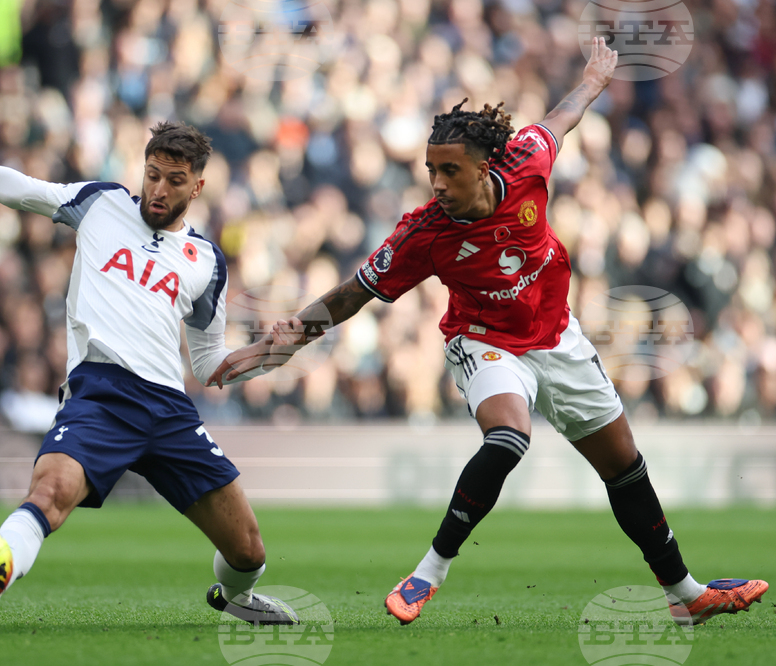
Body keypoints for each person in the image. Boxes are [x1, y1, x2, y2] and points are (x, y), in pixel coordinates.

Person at [212, 38, 768, 627]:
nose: (438, 184)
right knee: (509, 438)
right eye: (431, 170)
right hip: (484, 340)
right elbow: (350, 295)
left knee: (625, 469)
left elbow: (561, 118)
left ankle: (686, 596)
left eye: (449, 170)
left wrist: (596, 80)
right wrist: (275, 348)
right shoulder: (423, 235)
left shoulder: (526, 162)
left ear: (485, 167)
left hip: (557, 338)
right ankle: (429, 572)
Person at [0, 121, 300, 631]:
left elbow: (208, 364)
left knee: (249, 551)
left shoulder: (206, 261)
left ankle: (236, 597)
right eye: (153, 174)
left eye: (175, 180)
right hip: (101, 395)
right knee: (48, 495)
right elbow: (21, 189)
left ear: (198, 186)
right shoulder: (102, 203)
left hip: (169, 410)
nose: (159, 189)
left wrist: (267, 354)